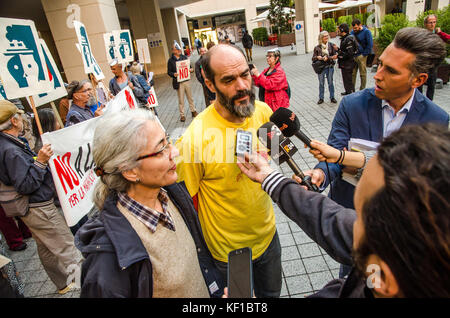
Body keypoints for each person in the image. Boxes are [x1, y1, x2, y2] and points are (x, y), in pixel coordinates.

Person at [236, 123, 450, 298]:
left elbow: (335, 224)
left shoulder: (373, 277)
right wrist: (270, 178)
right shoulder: (387, 267)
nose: (350, 218)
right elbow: (329, 217)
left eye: (361, 217)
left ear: (384, 279)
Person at [75, 109, 224, 297]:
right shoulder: (109, 260)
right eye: (161, 149)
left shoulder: (172, 194)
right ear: (130, 171)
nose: (175, 152)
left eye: (167, 141)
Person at [176, 44, 281, 298]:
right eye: (228, 80)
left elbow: (278, 152)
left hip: (268, 238)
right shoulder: (193, 141)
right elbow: (184, 206)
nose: (242, 86)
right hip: (231, 255)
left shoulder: (263, 111)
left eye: (245, 75)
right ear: (209, 84)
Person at [0, 100, 83, 295]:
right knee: (67, 247)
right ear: (14, 120)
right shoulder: (10, 150)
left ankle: (62, 283)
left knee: (46, 246)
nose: (23, 120)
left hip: (29, 207)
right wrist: (41, 162)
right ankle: (90, 285)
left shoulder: (7, 143)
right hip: (37, 205)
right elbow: (26, 184)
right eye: (20, 117)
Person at [419, 14, 449, 100]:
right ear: (425, 24)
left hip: (433, 64)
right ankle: (419, 101)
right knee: (419, 84)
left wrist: (440, 33)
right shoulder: (421, 34)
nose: (432, 24)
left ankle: (429, 103)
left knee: (431, 85)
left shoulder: (438, 34)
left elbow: (448, 40)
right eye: (430, 22)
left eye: (434, 22)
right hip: (423, 63)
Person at [167, 41, 198, 122]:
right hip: (178, 82)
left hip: (186, 80)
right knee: (181, 99)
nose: (178, 50)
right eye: (176, 49)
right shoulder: (170, 61)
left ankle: (193, 111)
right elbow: (169, 72)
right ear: (173, 51)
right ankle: (182, 115)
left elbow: (190, 67)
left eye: (178, 49)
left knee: (190, 97)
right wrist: (174, 74)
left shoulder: (184, 57)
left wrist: (191, 70)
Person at [312, 31, 338, 104]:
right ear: (321, 38)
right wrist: (318, 57)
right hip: (321, 68)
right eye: (324, 36)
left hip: (330, 67)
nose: (326, 37)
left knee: (330, 82)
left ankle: (332, 97)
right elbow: (313, 58)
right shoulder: (317, 47)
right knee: (321, 83)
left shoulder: (331, 45)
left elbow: (335, 56)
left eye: (327, 36)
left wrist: (328, 58)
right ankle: (321, 98)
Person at [351, 19, 373, 91]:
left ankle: (362, 89)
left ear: (360, 25)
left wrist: (364, 55)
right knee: (353, 74)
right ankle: (352, 89)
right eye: (353, 28)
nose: (354, 29)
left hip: (362, 56)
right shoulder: (352, 32)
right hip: (354, 56)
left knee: (362, 74)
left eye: (356, 28)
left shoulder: (367, 32)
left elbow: (370, 45)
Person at [337, 24, 357, 96]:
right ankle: (348, 91)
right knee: (345, 79)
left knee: (349, 80)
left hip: (348, 64)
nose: (337, 31)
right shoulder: (344, 38)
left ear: (342, 30)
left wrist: (339, 54)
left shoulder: (349, 39)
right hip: (344, 64)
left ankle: (351, 93)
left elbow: (349, 53)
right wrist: (338, 50)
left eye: (339, 30)